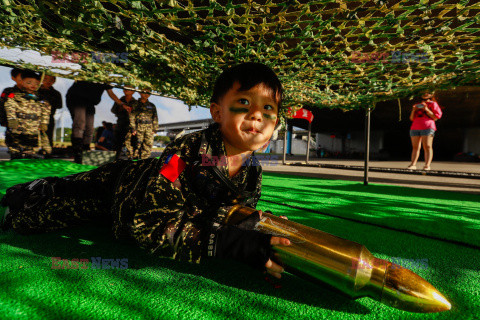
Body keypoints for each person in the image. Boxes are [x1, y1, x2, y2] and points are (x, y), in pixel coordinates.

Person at [1, 62, 290, 279]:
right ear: (216, 112)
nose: (257, 114)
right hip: (121, 183)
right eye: (244, 102)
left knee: (65, 212)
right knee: (41, 209)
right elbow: (149, 226)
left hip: (120, 209)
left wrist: (254, 223)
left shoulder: (251, 170)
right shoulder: (186, 152)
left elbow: (224, 213)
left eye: (268, 108)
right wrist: (227, 244)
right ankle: (25, 192)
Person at [66, 80, 128, 163]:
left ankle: (85, 149)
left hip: (90, 103)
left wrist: (121, 104)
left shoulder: (106, 78)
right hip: (77, 98)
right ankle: (77, 152)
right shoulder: (91, 70)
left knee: (90, 128)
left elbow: (110, 93)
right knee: (80, 123)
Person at [3, 70, 51, 159]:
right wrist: (11, 119)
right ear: (22, 82)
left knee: (32, 145)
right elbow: (9, 105)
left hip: (33, 126)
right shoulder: (14, 95)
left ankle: (30, 156)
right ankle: (15, 156)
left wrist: (44, 122)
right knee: (15, 144)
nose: (33, 85)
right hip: (18, 126)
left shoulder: (41, 98)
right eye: (29, 82)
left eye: (37, 83)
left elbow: (46, 110)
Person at [407, 92, 443, 171]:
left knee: (427, 146)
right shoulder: (418, 104)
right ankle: (413, 164)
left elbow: (436, 117)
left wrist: (426, 109)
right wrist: (414, 110)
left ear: (431, 94)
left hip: (428, 127)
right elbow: (412, 118)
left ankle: (427, 165)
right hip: (415, 127)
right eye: (424, 92)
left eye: (428, 92)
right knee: (415, 147)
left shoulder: (433, 104)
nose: (425, 94)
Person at [126, 90, 158, 160]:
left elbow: (155, 117)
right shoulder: (134, 104)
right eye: (144, 92)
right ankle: (134, 162)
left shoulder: (152, 106)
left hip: (149, 128)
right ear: (140, 92)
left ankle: (144, 162)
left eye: (148, 93)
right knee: (136, 145)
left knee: (148, 145)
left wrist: (155, 129)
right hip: (138, 127)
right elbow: (131, 116)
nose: (146, 94)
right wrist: (133, 128)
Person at [0, 68, 24, 152]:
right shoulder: (8, 91)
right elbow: (2, 107)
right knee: (14, 148)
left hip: (28, 127)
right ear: (13, 78)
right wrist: (3, 121)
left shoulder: (31, 93)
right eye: (21, 78)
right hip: (13, 125)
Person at [38, 75, 63, 149]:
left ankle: (47, 152)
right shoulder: (36, 90)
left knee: (48, 136)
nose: (48, 81)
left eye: (51, 80)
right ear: (41, 79)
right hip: (35, 117)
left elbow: (59, 105)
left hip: (49, 118)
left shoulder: (56, 93)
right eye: (45, 79)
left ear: (54, 81)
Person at [111, 88, 136, 159]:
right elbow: (113, 110)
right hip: (120, 125)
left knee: (130, 147)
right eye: (125, 89)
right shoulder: (119, 101)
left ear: (133, 92)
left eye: (129, 89)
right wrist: (121, 108)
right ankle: (114, 163)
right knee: (117, 146)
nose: (126, 90)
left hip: (131, 127)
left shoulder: (135, 102)